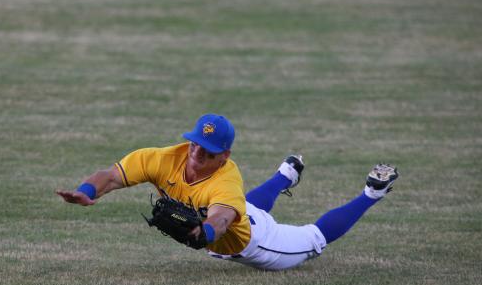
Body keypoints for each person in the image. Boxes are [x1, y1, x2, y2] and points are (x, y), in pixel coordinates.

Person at [56, 114, 399, 271]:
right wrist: (88, 191)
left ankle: (372, 192)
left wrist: (201, 234)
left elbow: (219, 222)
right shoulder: (162, 158)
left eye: (207, 151)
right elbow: (111, 176)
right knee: (247, 206)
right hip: (221, 240)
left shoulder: (226, 180)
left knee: (313, 237)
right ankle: (285, 175)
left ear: (225, 156)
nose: (196, 153)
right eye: (195, 144)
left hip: (258, 245)